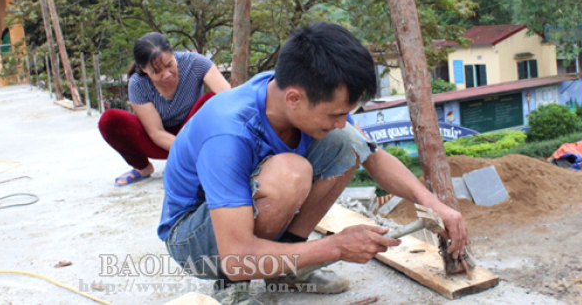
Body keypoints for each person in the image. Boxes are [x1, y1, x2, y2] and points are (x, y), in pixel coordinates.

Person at [158, 22, 468, 304]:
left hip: (237, 219)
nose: (341, 121)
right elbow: (236, 255)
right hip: (196, 240)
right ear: (294, 99)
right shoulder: (228, 133)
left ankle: (286, 270)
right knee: (290, 175)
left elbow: (373, 158)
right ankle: (229, 285)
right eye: (335, 113)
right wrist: (336, 247)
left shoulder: (288, 90)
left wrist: (433, 204)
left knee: (348, 143)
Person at [98, 32, 230, 186]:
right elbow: (156, 132)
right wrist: (192, 152)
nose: (167, 75)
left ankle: (217, 154)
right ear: (144, 69)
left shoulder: (195, 63)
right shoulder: (138, 83)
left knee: (212, 99)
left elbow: (231, 101)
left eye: (169, 65)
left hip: (195, 131)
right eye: (157, 71)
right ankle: (142, 167)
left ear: (173, 54)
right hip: (162, 142)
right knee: (109, 120)